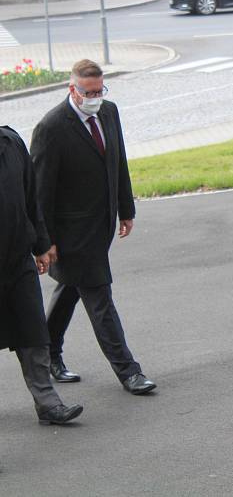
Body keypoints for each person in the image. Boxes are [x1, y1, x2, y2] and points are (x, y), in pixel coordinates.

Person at [30, 59, 156, 396]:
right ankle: (129, 372)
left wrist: (126, 208)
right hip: (70, 236)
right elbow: (40, 193)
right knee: (100, 299)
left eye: (100, 90)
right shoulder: (51, 128)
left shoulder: (109, 112)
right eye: (89, 92)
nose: (95, 97)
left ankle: (46, 355)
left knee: (70, 290)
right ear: (72, 89)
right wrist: (44, 242)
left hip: (100, 226)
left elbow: (118, 162)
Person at [1, 124, 83, 425]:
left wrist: (41, 243)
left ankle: (48, 403)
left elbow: (30, 198)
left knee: (33, 332)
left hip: (16, 260)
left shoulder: (10, 142)